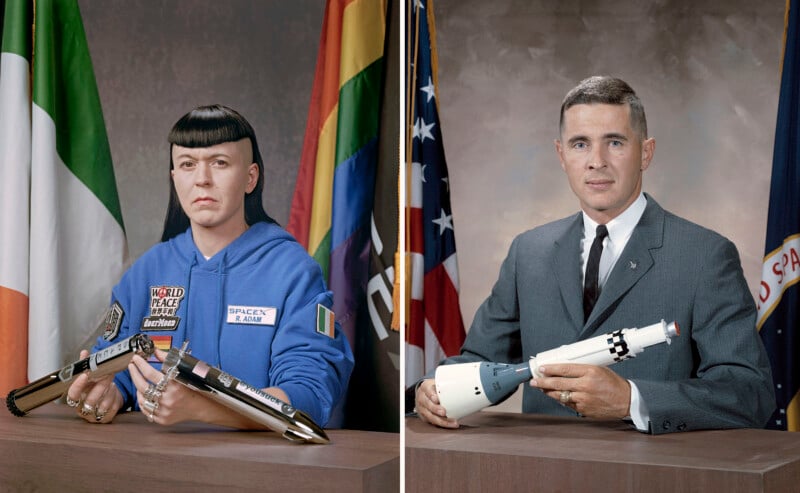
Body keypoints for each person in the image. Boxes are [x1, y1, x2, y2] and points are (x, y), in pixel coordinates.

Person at [414, 76, 775, 434]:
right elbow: (479, 361)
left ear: (645, 152)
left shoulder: (704, 256)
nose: (596, 161)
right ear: (561, 154)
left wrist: (632, 399)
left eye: (615, 142)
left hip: (651, 477)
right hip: (537, 472)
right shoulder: (529, 252)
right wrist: (433, 388)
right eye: (580, 144)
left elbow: (748, 393)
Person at [65, 104, 354, 429]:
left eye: (220, 163)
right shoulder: (144, 274)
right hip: (151, 467)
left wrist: (203, 408)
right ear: (175, 179)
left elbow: (309, 396)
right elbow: (118, 374)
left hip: (263, 471)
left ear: (250, 177)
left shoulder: (294, 273)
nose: (202, 180)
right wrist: (108, 394)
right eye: (187, 165)